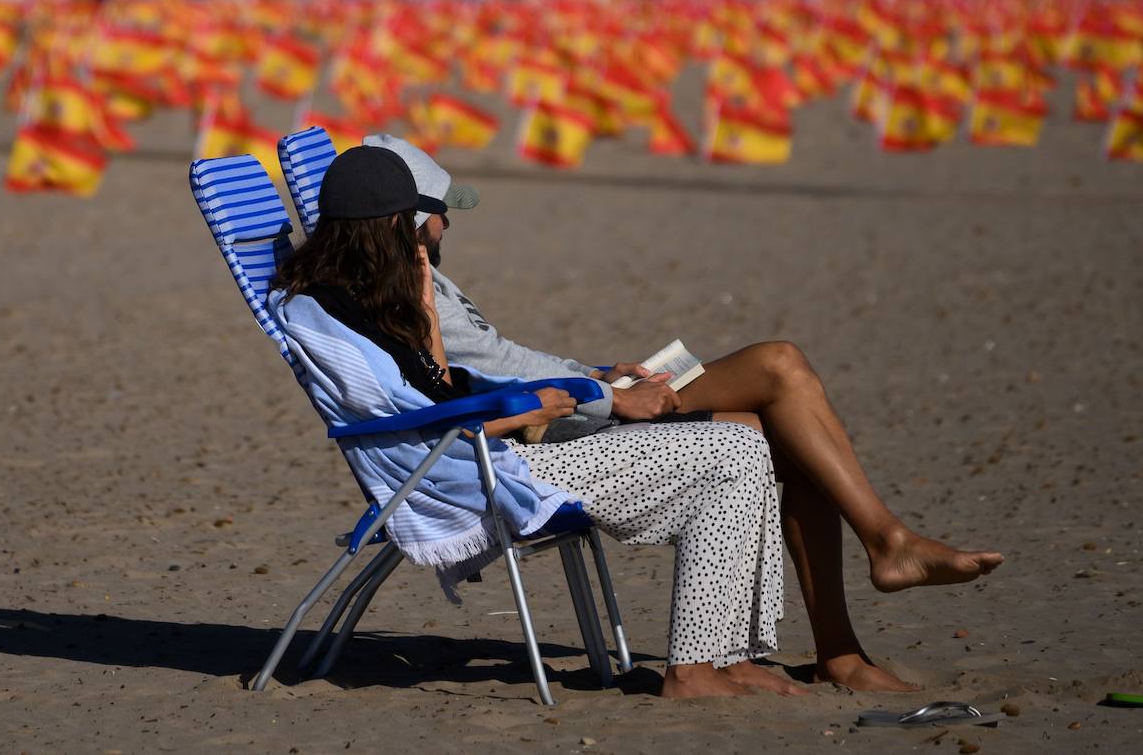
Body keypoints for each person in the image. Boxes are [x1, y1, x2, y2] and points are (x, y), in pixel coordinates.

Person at [365, 134, 1006, 693]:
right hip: (563, 423)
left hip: (579, 398)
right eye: (441, 213)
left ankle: (844, 643)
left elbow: (502, 359)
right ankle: (879, 562)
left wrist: (595, 370)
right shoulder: (411, 293)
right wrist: (608, 393)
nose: (450, 224)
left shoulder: (423, 277)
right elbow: (483, 385)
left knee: (784, 429)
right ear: (408, 219)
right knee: (778, 367)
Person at [268, 146, 789, 699]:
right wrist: (526, 410)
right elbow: (413, 434)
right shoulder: (323, 315)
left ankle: (728, 658)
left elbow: (435, 394)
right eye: (424, 226)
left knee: (739, 448)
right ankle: (693, 671)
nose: (435, 236)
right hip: (477, 477)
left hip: (480, 454)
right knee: (734, 449)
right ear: (399, 223)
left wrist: (427, 315)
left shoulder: (369, 294)